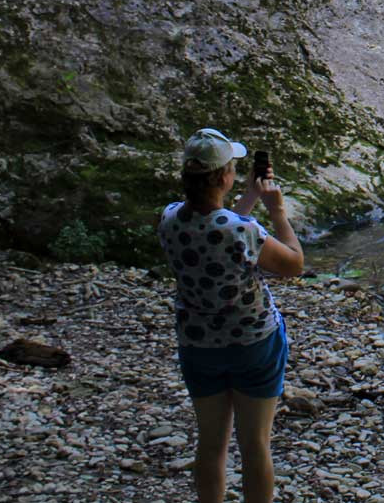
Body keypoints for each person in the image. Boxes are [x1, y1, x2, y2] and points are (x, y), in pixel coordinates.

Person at [160, 128, 304, 503]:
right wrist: (275, 210)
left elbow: (218, 227)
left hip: (198, 343)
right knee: (254, 444)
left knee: (211, 444)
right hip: (253, 341)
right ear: (224, 176)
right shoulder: (244, 231)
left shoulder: (171, 219)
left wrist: (251, 196)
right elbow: (294, 264)